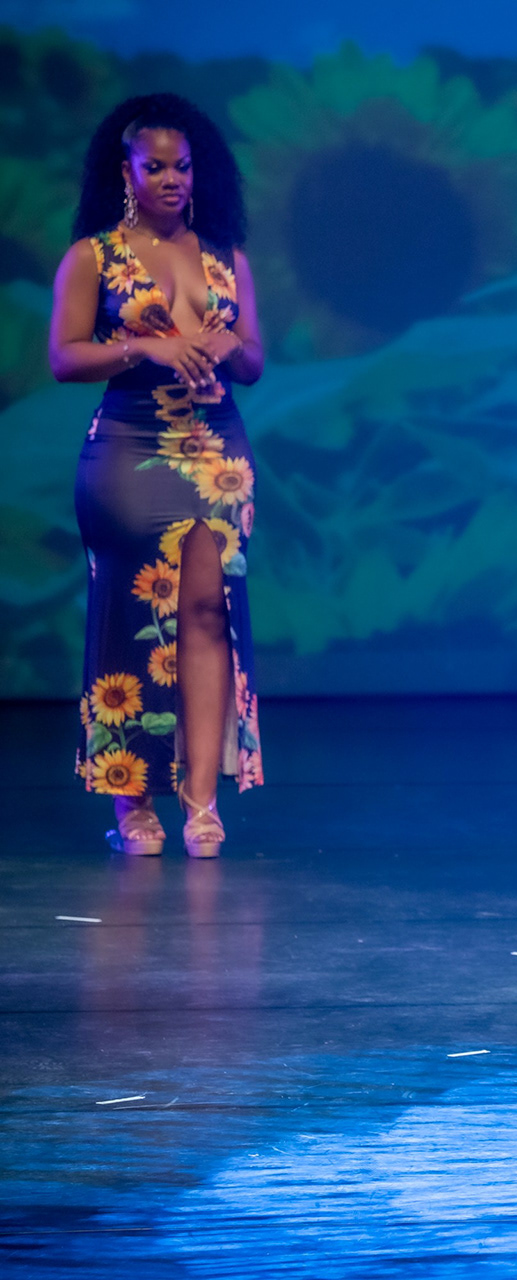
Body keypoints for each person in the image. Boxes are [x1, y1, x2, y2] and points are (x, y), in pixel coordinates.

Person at [49, 93, 266, 858]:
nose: (172, 180)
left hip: (215, 450)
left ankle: (201, 800)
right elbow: (65, 356)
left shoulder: (226, 256)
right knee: (131, 614)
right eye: (156, 168)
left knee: (208, 614)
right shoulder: (93, 256)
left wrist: (229, 345)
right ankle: (130, 799)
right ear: (127, 172)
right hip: (128, 449)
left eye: (183, 167)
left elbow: (254, 363)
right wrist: (146, 346)